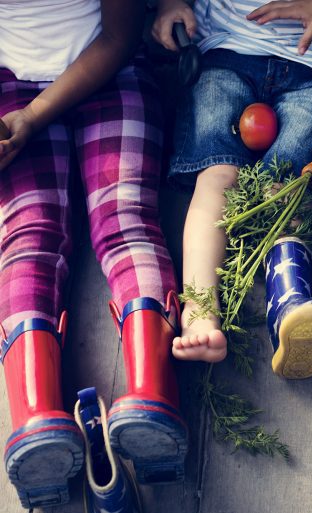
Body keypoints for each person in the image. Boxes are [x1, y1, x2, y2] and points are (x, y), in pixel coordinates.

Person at [0, 1, 187, 508]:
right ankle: (37, 420)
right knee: (28, 232)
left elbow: (119, 37)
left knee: (124, 213)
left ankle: (153, 392)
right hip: (9, 83)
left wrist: (34, 117)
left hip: (109, 70)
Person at [152, 0, 312, 377]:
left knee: (285, 189)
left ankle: (289, 301)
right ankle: (200, 309)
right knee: (218, 175)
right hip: (227, 52)